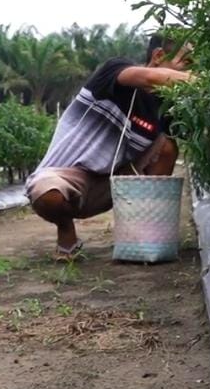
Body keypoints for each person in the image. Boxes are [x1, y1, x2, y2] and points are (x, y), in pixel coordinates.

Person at [26, 33, 193, 261]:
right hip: (66, 177)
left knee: (167, 146)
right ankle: (66, 230)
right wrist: (207, 83)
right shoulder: (115, 72)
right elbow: (150, 78)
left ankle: (144, 235)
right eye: (186, 63)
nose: (189, 72)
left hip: (116, 183)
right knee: (48, 194)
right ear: (159, 56)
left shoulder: (166, 109)